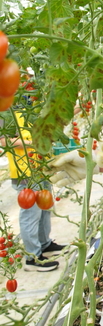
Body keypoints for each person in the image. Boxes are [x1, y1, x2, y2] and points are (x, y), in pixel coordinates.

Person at [0, 110, 65, 271]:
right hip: (25, 172)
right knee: (31, 215)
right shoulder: (6, 114)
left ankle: (45, 243)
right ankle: (33, 257)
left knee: (45, 210)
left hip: (40, 167)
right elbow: (4, 141)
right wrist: (35, 142)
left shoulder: (30, 108)